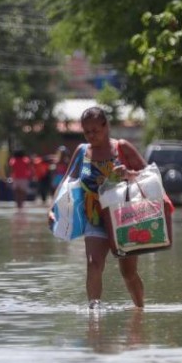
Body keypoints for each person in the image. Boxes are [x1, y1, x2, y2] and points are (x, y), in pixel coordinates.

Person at [47, 106, 148, 309]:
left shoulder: (122, 148)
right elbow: (68, 180)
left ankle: (140, 311)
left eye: (96, 130)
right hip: (94, 218)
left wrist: (128, 173)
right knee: (93, 264)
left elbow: (149, 175)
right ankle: (94, 313)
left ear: (106, 126)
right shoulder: (82, 152)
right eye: (87, 131)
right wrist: (53, 208)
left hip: (124, 219)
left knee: (128, 273)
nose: (91, 135)